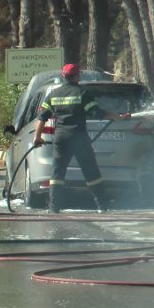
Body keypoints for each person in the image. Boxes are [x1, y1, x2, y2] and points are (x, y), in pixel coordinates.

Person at [32, 63, 127, 213]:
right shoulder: (82, 93)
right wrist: (116, 117)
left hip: (61, 138)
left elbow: (42, 117)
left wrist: (37, 137)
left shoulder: (53, 95)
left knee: (57, 174)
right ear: (77, 76)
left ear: (63, 76)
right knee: (91, 172)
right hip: (79, 138)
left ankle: (54, 208)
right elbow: (97, 113)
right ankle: (102, 206)